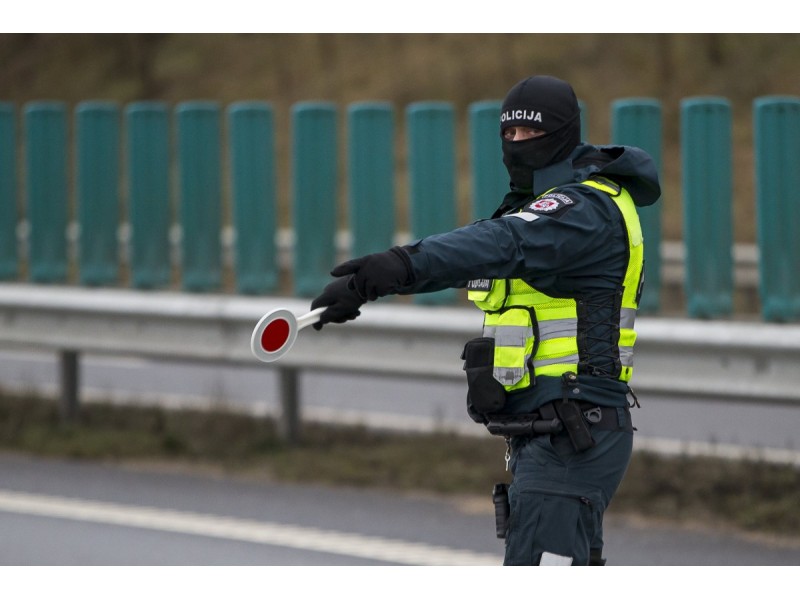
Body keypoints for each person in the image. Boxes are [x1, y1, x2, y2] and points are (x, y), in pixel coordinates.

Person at [310, 75, 661, 566]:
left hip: (576, 433)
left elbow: (502, 244)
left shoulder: (585, 210)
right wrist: (363, 285)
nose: (517, 145)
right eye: (509, 135)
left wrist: (397, 264)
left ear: (564, 133)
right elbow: (473, 252)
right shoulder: (540, 209)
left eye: (530, 134)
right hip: (550, 434)